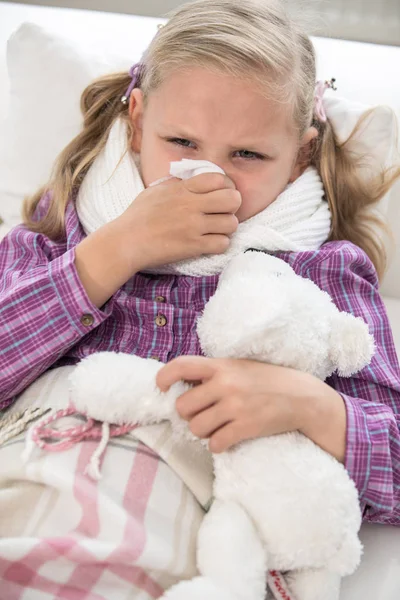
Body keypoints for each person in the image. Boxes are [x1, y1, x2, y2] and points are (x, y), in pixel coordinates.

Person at [0, 0, 399, 597]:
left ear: (301, 156)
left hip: (206, 541)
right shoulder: (59, 236)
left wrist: (312, 407)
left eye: (249, 155)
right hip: (34, 478)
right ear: (136, 123)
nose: (206, 175)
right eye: (181, 140)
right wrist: (113, 253)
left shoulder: (325, 275)